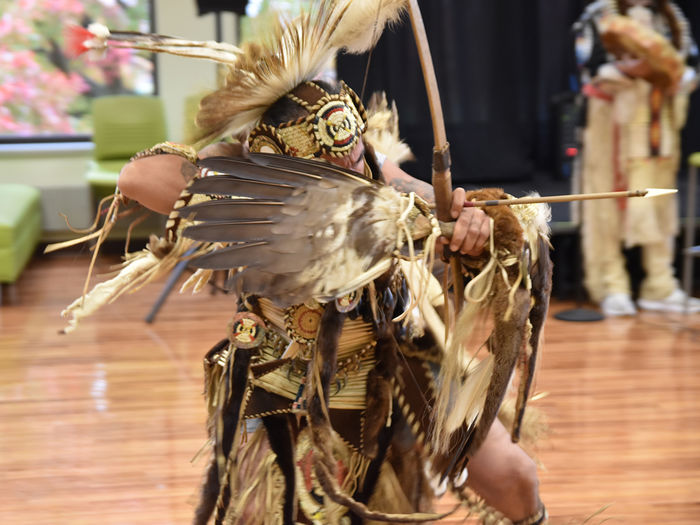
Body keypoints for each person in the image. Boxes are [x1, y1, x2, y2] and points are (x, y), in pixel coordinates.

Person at [62, 2, 551, 523]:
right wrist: (270, 202)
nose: (349, 166)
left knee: (512, 476)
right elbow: (137, 177)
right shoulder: (241, 172)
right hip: (286, 374)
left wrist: (468, 216)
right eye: (328, 164)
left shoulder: (365, 160)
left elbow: (428, 199)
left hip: (398, 345)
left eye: (353, 153)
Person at [574, 0, 700, 316]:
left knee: (658, 201)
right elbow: (583, 63)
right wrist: (622, 71)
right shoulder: (599, 14)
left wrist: (679, 77)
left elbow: (690, 61)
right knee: (608, 200)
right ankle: (611, 284)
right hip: (611, 123)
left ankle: (661, 284)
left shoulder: (671, 17)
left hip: (658, 121)